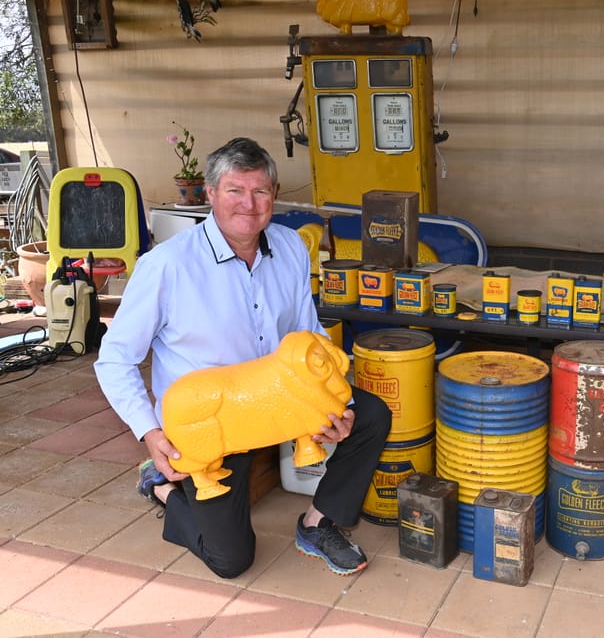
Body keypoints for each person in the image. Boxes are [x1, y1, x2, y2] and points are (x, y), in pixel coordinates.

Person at [95, 137, 391, 578]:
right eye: (235, 190)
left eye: (261, 191)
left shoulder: (290, 247)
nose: (249, 204)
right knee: (231, 560)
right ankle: (163, 488)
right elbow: (115, 358)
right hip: (214, 421)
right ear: (210, 194)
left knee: (369, 415)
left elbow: (308, 335)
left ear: (274, 195)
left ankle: (319, 521)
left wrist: (339, 405)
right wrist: (150, 432)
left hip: (280, 400)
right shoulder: (168, 265)